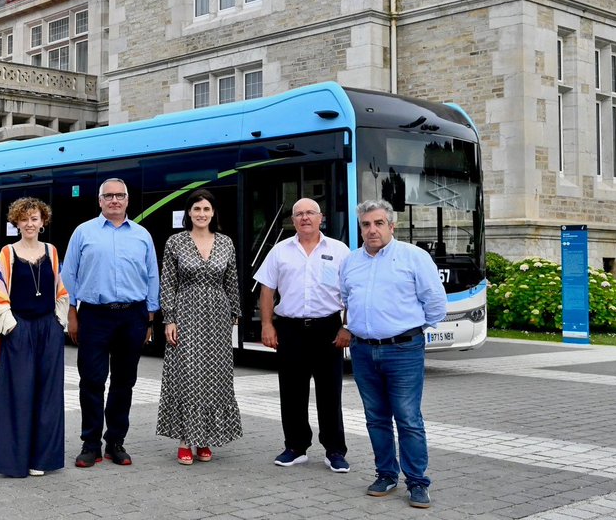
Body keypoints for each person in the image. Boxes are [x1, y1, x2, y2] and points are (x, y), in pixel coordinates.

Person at [338, 199, 447, 509]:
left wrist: (408, 332)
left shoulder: (413, 257)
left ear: (391, 226)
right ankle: (386, 474)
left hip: (403, 351)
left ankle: (417, 482)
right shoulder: (351, 261)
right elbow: (347, 299)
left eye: (378, 223)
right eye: (366, 225)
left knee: (408, 418)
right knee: (376, 418)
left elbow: (435, 305)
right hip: (362, 350)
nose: (372, 230)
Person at [62, 178, 160, 468]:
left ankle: (115, 442)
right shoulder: (83, 233)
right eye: (109, 196)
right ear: (100, 201)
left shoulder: (142, 235)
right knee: (91, 381)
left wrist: (150, 319)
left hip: (133, 316)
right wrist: (70, 313)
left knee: (123, 382)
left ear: (128, 200)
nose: (114, 200)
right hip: (94, 315)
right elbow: (69, 277)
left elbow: (152, 276)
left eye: (120, 195)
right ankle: (90, 444)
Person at [253, 197, 352, 473]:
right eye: (299, 214)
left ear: (321, 218)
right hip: (290, 329)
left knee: (330, 392)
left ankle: (334, 451)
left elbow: (351, 291)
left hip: (328, 329)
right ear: (293, 220)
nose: (305, 218)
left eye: (310, 213)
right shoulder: (279, 251)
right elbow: (267, 290)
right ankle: (296, 447)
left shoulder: (340, 250)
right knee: (292, 391)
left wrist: (347, 326)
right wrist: (267, 325)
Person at [155, 189, 242, 465]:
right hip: (186, 313)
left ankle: (204, 438)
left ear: (213, 212)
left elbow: (232, 281)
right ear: (188, 214)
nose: (202, 214)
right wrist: (169, 318)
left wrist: (235, 315)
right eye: (196, 209)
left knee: (214, 376)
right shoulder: (175, 242)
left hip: (217, 316)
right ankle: (185, 439)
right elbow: (168, 282)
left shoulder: (226, 242)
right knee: (187, 375)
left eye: (206, 209)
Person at [0, 197, 69, 478]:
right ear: (16, 223)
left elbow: (61, 290)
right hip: (19, 328)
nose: (30, 223)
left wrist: (59, 324)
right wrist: (11, 327)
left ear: (43, 222)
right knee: (18, 393)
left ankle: (41, 459)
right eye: (24, 219)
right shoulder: (8, 252)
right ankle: (14, 461)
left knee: (48, 395)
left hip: (48, 329)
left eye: (35, 218)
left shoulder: (52, 251)